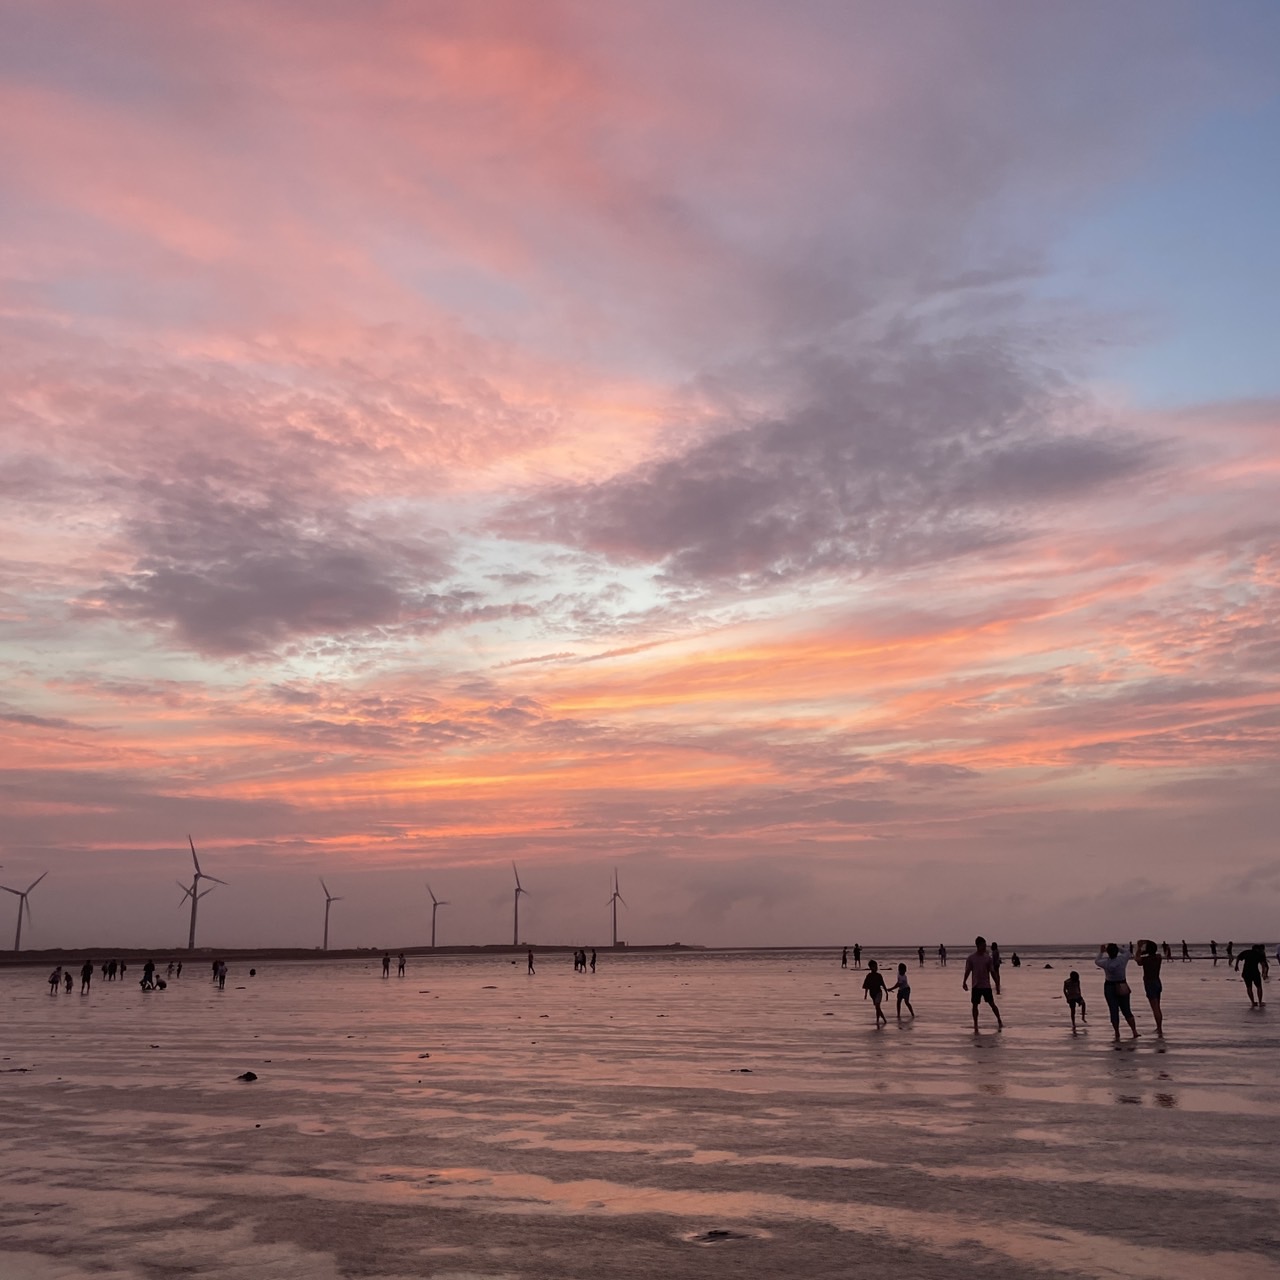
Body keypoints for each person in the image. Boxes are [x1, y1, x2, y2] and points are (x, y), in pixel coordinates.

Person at [1095, 943, 1140, 1042]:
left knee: (1113, 1010)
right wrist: (1118, 948)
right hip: (1122, 984)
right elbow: (1127, 952)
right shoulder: (1122, 959)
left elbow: (1097, 961)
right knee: (1126, 1010)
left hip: (1110, 986)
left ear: (1108, 953)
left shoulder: (1106, 963)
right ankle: (1134, 1031)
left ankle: (1117, 1032)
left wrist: (1101, 952)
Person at [962, 937, 1003, 1032]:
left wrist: (997, 984)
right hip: (976, 985)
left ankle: (999, 1020)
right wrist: (964, 982)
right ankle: (975, 1025)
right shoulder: (971, 958)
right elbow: (967, 971)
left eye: (985, 945)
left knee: (992, 1004)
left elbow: (992, 972)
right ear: (978, 946)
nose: (985, 947)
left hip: (986, 985)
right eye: (983, 945)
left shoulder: (988, 958)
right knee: (975, 1005)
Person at [1135, 940, 1164, 1038]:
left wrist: (1139, 947)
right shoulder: (1158, 957)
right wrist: (1147, 942)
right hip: (1157, 982)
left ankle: (1159, 1028)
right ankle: (1159, 1027)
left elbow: (1137, 959)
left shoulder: (1146, 960)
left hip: (1149, 983)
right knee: (1158, 1007)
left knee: (1155, 1008)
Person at [862, 960, 888, 1026]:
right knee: (877, 1007)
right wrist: (865, 994)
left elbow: (883, 984)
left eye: (876, 966)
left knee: (877, 1006)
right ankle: (878, 1020)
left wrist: (886, 993)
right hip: (872, 994)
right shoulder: (869, 976)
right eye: (874, 966)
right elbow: (866, 986)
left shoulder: (879, 975)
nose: (876, 968)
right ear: (871, 967)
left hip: (879, 993)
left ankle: (884, 1020)